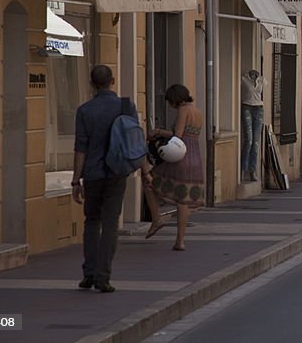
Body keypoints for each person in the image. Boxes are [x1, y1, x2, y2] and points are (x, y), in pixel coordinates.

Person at [72, 65, 146, 293]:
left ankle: (89, 273)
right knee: (111, 224)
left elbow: (80, 148)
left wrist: (76, 180)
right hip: (117, 171)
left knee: (92, 222)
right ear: (112, 80)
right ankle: (104, 276)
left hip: (93, 173)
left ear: (92, 83)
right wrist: (146, 171)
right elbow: (135, 142)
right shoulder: (125, 106)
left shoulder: (84, 110)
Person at [143, 84, 205, 251]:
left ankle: (156, 219)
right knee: (183, 199)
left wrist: (158, 132)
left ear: (175, 99)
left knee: (149, 180)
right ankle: (180, 241)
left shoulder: (183, 111)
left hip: (180, 156)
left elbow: (178, 136)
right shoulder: (198, 112)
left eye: (170, 101)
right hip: (194, 157)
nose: (170, 104)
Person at [240, 70, 266, 182]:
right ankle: (242, 169)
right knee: (249, 140)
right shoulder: (244, 79)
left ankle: (252, 170)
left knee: (256, 142)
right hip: (247, 107)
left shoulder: (262, 80)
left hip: (259, 109)